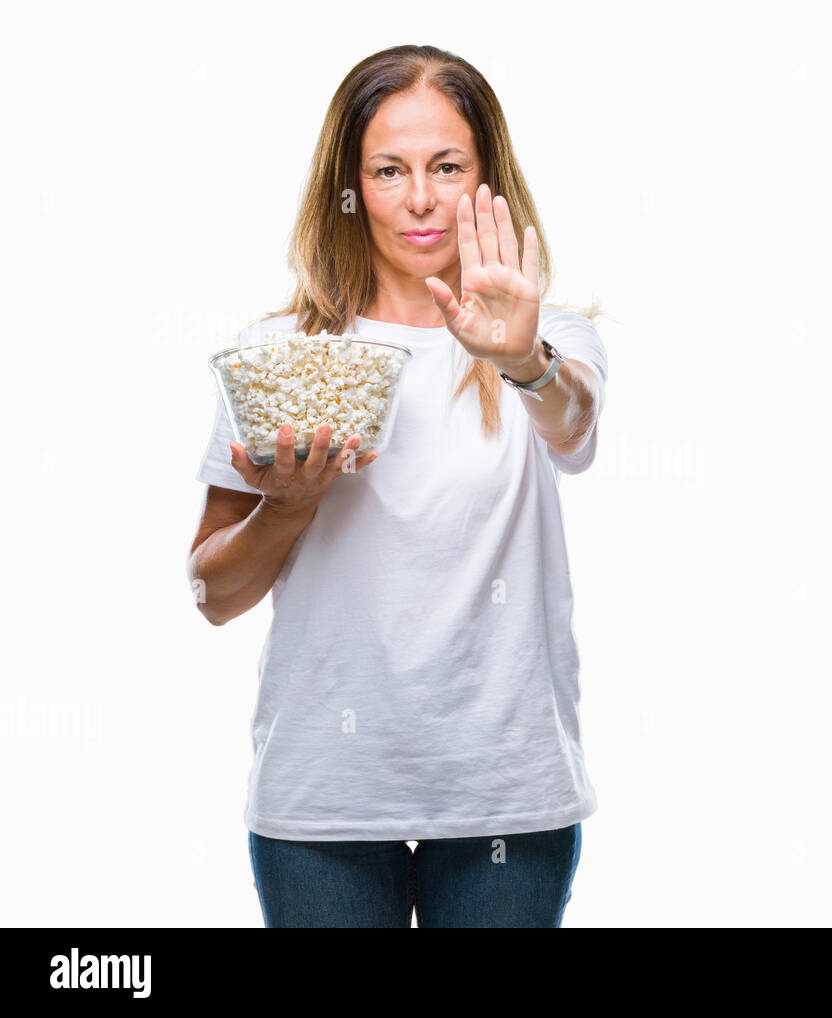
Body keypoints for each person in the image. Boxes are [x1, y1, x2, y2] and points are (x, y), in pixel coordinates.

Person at [186, 44, 606, 928]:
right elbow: (213, 591)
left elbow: (573, 428)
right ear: (349, 182)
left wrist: (521, 359)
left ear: (487, 177)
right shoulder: (283, 360)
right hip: (325, 799)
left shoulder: (547, 335)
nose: (420, 199)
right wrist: (288, 506)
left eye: (446, 166)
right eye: (388, 170)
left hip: (505, 794)